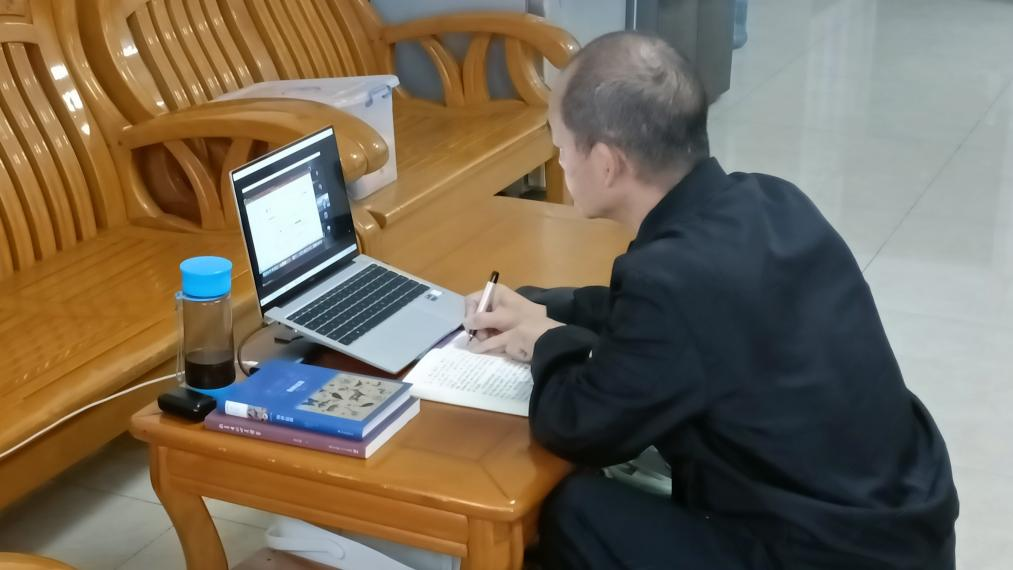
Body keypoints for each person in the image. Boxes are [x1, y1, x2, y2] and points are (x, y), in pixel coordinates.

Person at [463, 32, 958, 569]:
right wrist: (548, 307)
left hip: (823, 553)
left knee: (575, 509)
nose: (560, 163)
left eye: (560, 147)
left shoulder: (668, 281)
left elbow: (578, 427)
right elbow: (677, 322)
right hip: (900, 525)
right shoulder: (772, 200)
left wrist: (547, 343)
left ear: (606, 163)